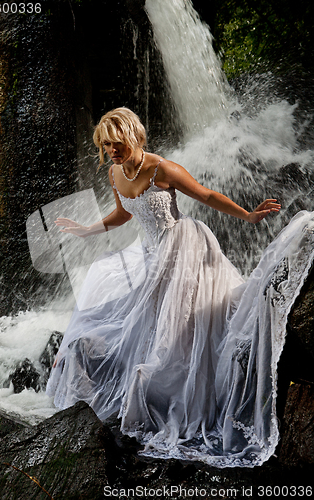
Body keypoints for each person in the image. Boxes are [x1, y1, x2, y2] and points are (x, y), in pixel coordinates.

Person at [46, 107, 314, 467]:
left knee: (193, 322)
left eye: (116, 144)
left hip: (185, 246)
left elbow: (206, 196)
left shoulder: (163, 169)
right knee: (140, 324)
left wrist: (249, 215)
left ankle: (190, 390)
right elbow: (124, 213)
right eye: (106, 146)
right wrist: (85, 229)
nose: (111, 151)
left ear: (132, 136)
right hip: (154, 254)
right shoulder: (115, 173)